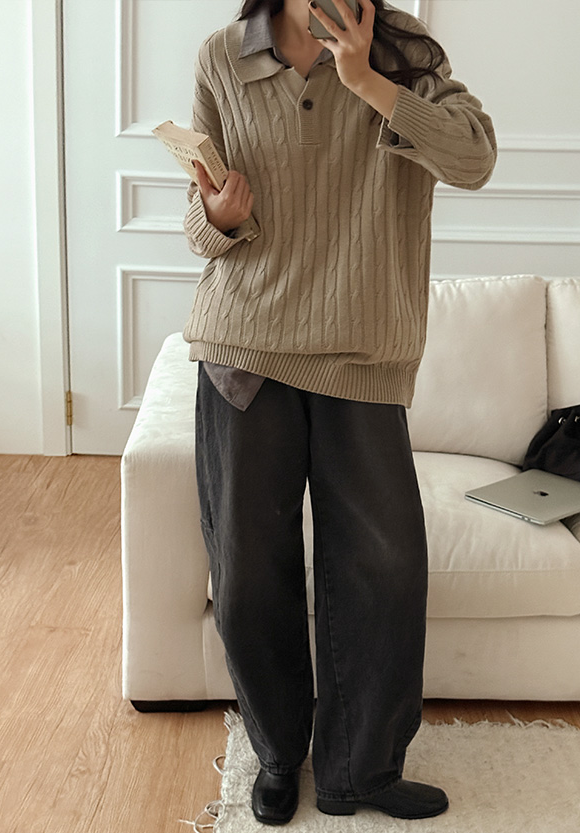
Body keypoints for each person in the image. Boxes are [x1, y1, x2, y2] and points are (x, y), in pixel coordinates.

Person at [183, 0, 496, 824]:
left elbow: (474, 159)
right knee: (250, 574)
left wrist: (371, 84)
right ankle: (278, 754)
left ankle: (361, 769)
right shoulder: (223, 55)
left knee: (384, 571)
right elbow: (200, 217)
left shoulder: (404, 48)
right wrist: (218, 218)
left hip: (364, 352)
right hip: (245, 345)